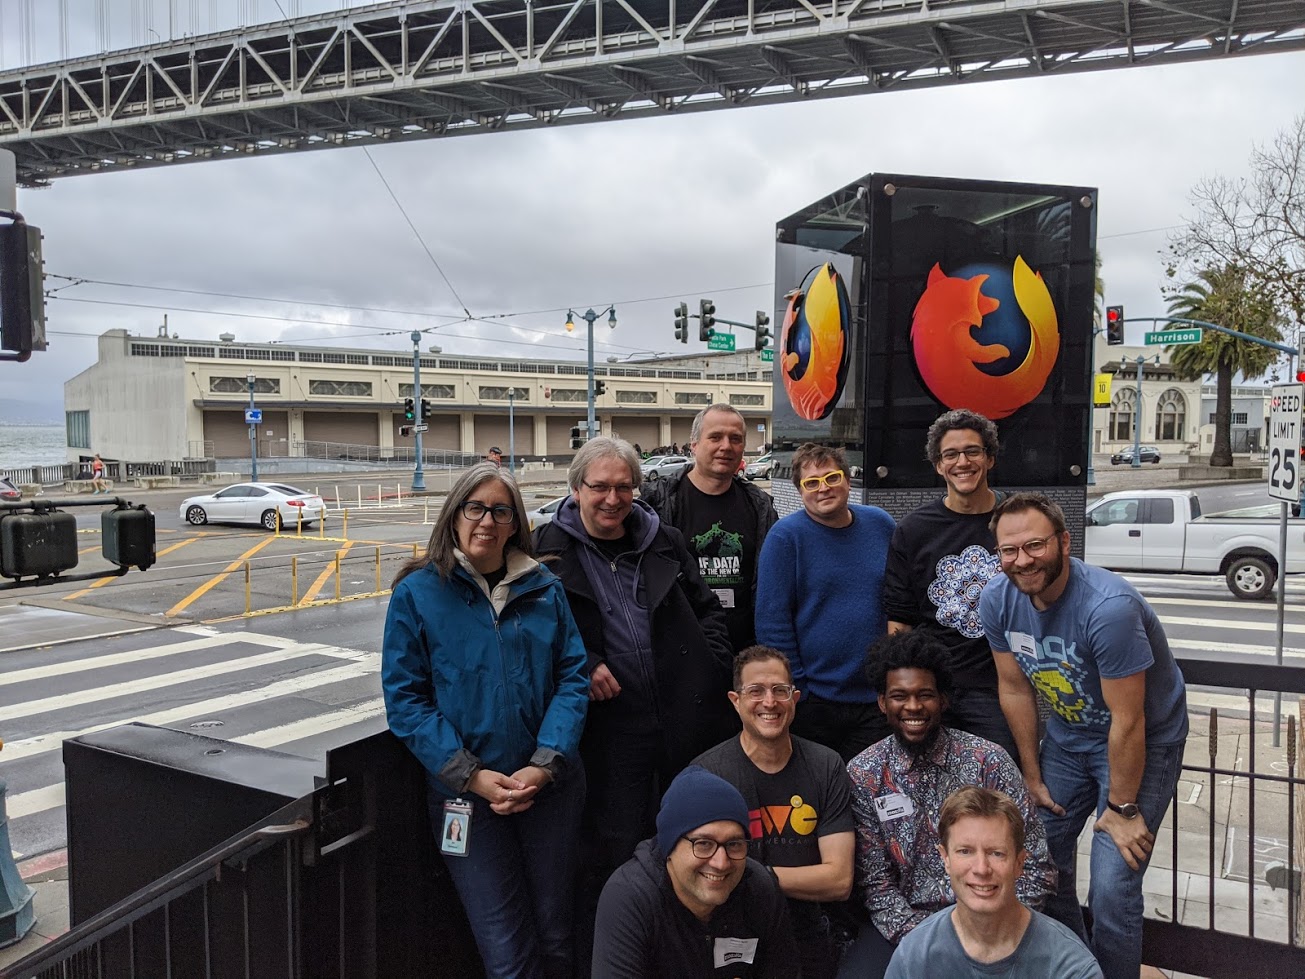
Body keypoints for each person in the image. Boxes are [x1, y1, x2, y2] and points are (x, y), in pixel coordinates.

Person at [382, 462, 589, 979]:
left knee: (557, 936)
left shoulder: (544, 587)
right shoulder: (418, 593)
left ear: (516, 523)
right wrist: (470, 775)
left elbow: (573, 677)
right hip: (467, 799)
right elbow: (406, 700)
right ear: (454, 516)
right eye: (475, 508)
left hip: (549, 790)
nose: (487, 522)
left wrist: (544, 765)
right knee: (506, 953)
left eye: (500, 511)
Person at [980, 492, 1188, 979]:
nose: (1022, 560)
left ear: (1064, 543)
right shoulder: (997, 599)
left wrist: (1121, 809)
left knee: (1114, 885)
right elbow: (1013, 688)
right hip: (1068, 735)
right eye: (1009, 550)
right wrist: (1031, 774)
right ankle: (1078, 967)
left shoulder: (1107, 608)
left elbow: (1129, 720)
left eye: (1034, 545)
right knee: (1040, 864)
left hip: (1144, 739)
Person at [532, 437, 734, 935]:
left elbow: (707, 609)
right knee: (615, 844)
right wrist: (587, 661)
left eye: (624, 487)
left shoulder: (663, 538)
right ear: (576, 489)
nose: (612, 499)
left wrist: (710, 663)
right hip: (608, 726)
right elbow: (530, 635)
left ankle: (685, 939)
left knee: (692, 840)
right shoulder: (543, 550)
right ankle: (622, 943)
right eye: (599, 486)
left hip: (682, 715)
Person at [843, 631, 1055, 978]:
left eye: (925, 695)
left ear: (943, 700)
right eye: (899, 696)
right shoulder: (864, 774)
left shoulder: (989, 762)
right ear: (883, 703)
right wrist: (933, 942)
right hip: (903, 925)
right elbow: (876, 885)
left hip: (994, 919)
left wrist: (988, 932)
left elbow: (1034, 866)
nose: (913, 707)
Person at [693, 646, 855, 979]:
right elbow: (701, 877)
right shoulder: (706, 774)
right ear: (735, 701)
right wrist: (800, 878)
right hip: (731, 927)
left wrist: (748, 875)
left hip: (809, 929)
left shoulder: (827, 766)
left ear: (795, 698)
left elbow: (839, 880)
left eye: (780, 691)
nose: (770, 702)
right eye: (756, 691)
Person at [882, 409, 1017, 761]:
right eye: (950, 455)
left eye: (972, 451)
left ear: (989, 458)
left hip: (999, 688)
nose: (963, 462)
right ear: (938, 465)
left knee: (1000, 788)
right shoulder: (914, 530)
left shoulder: (1016, 520)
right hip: (932, 688)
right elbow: (900, 621)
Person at [755, 442, 896, 760]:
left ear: (848, 480)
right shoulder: (785, 538)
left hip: (875, 698)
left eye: (832, 477)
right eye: (812, 482)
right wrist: (798, 690)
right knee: (820, 794)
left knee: (870, 795)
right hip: (816, 701)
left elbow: (900, 598)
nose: (823, 488)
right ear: (800, 490)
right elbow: (772, 622)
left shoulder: (881, 525)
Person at [592, 765, 800, 978]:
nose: (721, 862)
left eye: (734, 844)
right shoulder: (631, 897)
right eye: (703, 844)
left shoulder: (759, 889)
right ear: (669, 847)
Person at [885, 786, 1102, 979]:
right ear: (946, 859)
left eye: (996, 853)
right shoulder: (913, 958)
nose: (981, 869)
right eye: (965, 851)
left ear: (1019, 863)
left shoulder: (1071, 968)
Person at [640, 404, 779, 652]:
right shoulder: (658, 505)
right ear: (693, 445)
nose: (726, 446)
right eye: (715, 437)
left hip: (746, 652)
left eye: (735, 439)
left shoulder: (761, 507)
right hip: (681, 650)